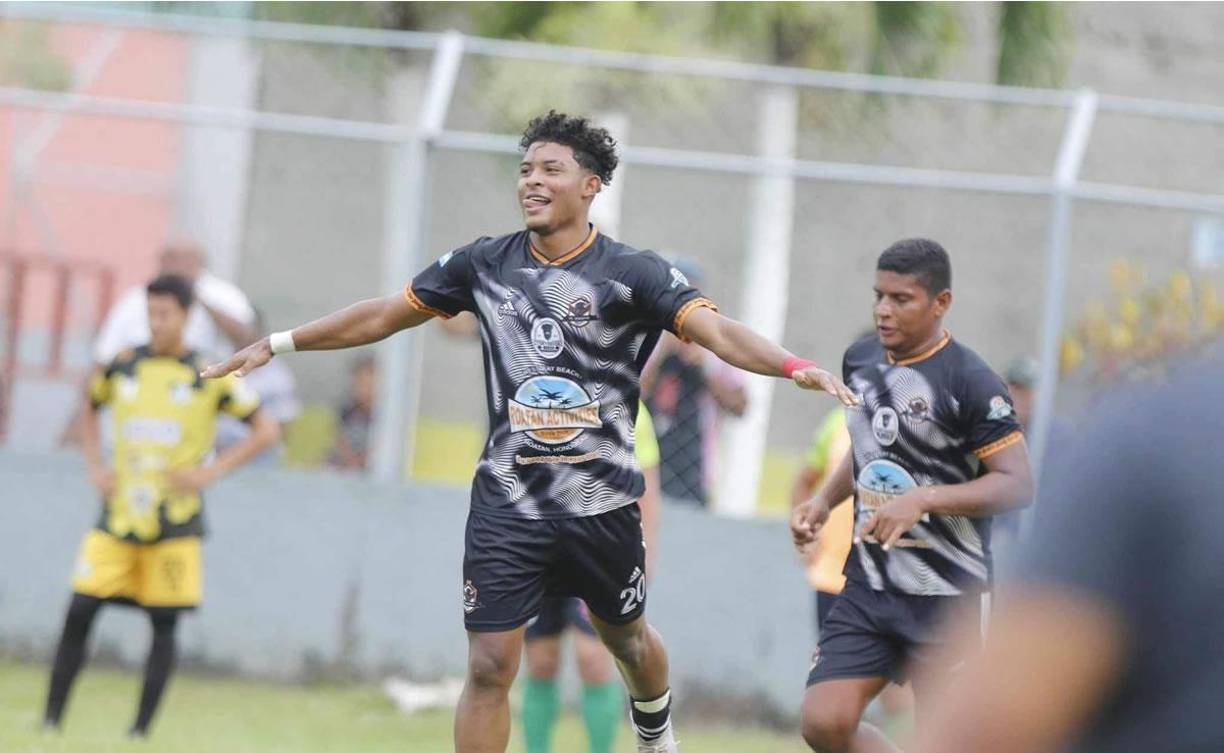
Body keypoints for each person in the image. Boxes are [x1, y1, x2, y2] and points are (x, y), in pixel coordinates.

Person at [203, 110, 856, 753]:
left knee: (626, 642)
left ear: (591, 185)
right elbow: (383, 315)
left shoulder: (635, 274)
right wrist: (279, 342)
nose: (532, 181)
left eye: (551, 169)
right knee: (490, 663)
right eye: (525, 170)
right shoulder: (484, 263)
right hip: (508, 503)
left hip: (601, 504)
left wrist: (792, 366)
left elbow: (717, 331)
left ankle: (655, 729)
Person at [791, 238, 1033, 753]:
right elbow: (867, 447)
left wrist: (924, 499)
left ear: (941, 303)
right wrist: (823, 502)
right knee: (823, 722)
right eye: (879, 295)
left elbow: (1016, 483)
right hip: (870, 585)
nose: (883, 310)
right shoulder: (861, 361)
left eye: (901, 299)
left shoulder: (972, 382)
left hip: (949, 596)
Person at [909, 358, 1224, 753]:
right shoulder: (983, 436)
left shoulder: (1122, 439)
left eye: (1024, 390)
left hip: (1048, 569)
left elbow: (989, 721)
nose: (1016, 398)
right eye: (1011, 389)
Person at [42, 275, 279, 737]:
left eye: (165, 314)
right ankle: (51, 722)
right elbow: (90, 405)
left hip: (175, 520)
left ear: (186, 316)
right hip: (119, 515)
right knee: (80, 610)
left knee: (164, 625)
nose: (156, 323)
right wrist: (95, 467)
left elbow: (265, 430)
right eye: (150, 313)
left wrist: (209, 472)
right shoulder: (123, 365)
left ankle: (140, 732)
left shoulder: (207, 373)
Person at [521, 404, 663, 753]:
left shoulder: (628, 406)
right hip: (538, 542)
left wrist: (645, 554)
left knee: (594, 660)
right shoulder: (538, 393)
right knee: (540, 660)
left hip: (597, 549)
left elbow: (647, 490)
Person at [641, 259, 747, 507]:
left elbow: (741, 406)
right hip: (644, 465)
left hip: (695, 473)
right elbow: (626, 396)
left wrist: (704, 369)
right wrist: (662, 353)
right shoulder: (648, 339)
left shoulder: (715, 348)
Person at [93, 240, 257, 366]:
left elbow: (248, 340)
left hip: (207, 384)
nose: (178, 265)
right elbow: (105, 353)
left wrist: (194, 294)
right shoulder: (135, 299)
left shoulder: (224, 295)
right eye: (172, 258)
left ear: (200, 261)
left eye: (186, 259)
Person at [330, 356, 377, 471]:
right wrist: (350, 461)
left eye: (367, 384)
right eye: (358, 382)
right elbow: (340, 440)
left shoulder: (385, 415)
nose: (361, 389)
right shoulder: (347, 410)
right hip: (345, 465)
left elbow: (382, 447)